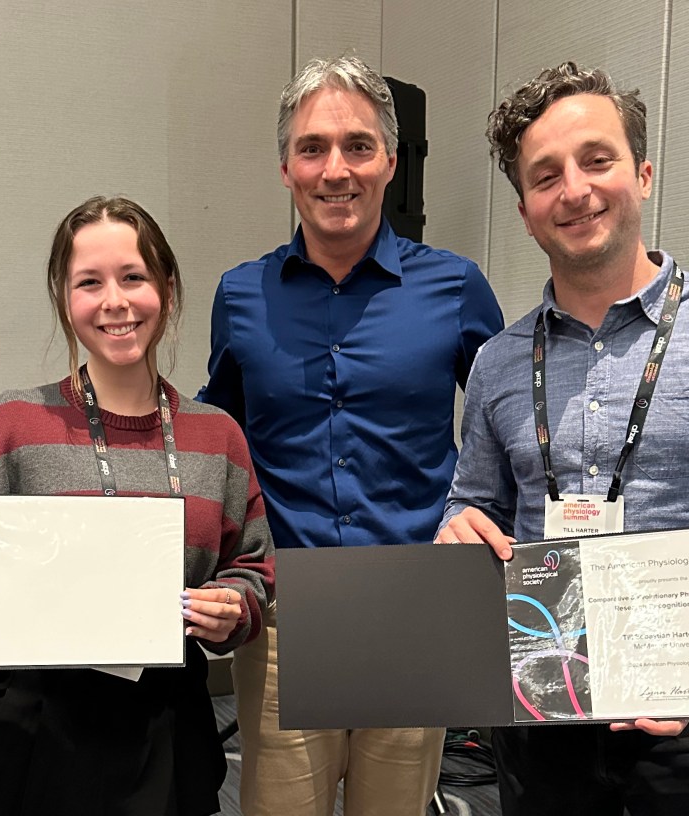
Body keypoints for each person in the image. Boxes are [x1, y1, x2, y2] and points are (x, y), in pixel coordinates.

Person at [436, 62, 689, 816]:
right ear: (525, 211)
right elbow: (474, 505)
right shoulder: (496, 362)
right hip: (540, 724)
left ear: (643, 174)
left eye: (597, 160)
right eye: (546, 176)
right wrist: (457, 529)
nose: (575, 190)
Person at [198, 56, 504, 816]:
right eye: (313, 148)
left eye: (358, 146)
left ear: (391, 162)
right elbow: (216, 437)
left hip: (414, 607)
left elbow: (506, 431)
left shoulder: (455, 287)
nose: (336, 169)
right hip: (285, 615)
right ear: (286, 168)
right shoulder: (241, 295)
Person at [0, 196, 274, 816]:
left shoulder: (217, 436)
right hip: (27, 720)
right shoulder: (14, 425)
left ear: (167, 289)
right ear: (63, 298)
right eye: (89, 282)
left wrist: (232, 606)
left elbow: (252, 566)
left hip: (163, 721)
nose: (115, 301)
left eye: (133, 277)